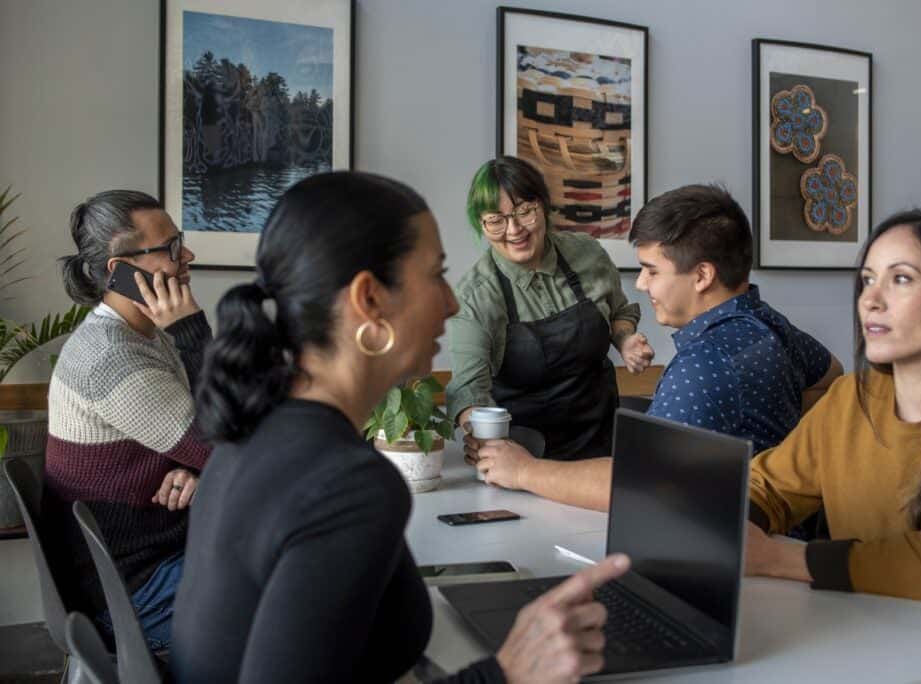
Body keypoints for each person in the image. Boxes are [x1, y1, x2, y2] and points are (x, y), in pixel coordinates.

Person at [171, 171, 630, 683]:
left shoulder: (257, 431)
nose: (452, 302)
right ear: (370, 300)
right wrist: (509, 673)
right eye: (435, 275)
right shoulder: (346, 483)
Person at [469, 184, 842, 512]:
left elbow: (637, 484)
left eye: (652, 271)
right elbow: (831, 375)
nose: (643, 285)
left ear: (702, 275)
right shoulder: (766, 321)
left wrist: (523, 470)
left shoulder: (704, 366)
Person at [744, 207, 921, 604]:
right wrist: (730, 525)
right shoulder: (848, 398)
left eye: (901, 279)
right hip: (869, 631)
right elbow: (768, 487)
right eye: (868, 280)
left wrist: (778, 558)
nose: (870, 300)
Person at [46, 190, 211, 650]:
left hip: (153, 562)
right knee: (311, 589)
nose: (187, 256)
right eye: (170, 248)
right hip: (136, 593)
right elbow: (234, 445)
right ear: (120, 271)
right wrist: (193, 330)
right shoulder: (113, 359)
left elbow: (216, 436)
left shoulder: (138, 337)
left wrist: (197, 464)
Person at [446, 156, 654, 460]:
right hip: (527, 456)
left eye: (525, 212)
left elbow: (618, 312)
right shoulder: (476, 295)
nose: (514, 229)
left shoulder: (586, 253)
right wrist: (482, 435)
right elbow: (468, 390)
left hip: (603, 442)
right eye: (496, 220)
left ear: (544, 206)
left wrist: (625, 340)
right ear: (482, 224)